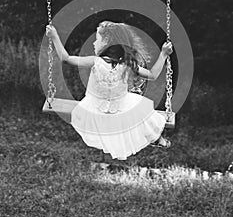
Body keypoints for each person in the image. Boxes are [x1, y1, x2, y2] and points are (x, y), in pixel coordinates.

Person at [46, 20, 173, 160]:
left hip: (94, 109)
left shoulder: (95, 61)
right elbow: (152, 75)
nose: (94, 43)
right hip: (120, 108)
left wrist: (54, 36)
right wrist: (163, 54)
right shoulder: (127, 64)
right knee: (143, 113)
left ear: (107, 42)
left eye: (97, 40)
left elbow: (66, 58)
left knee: (135, 113)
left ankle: (155, 138)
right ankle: (156, 138)